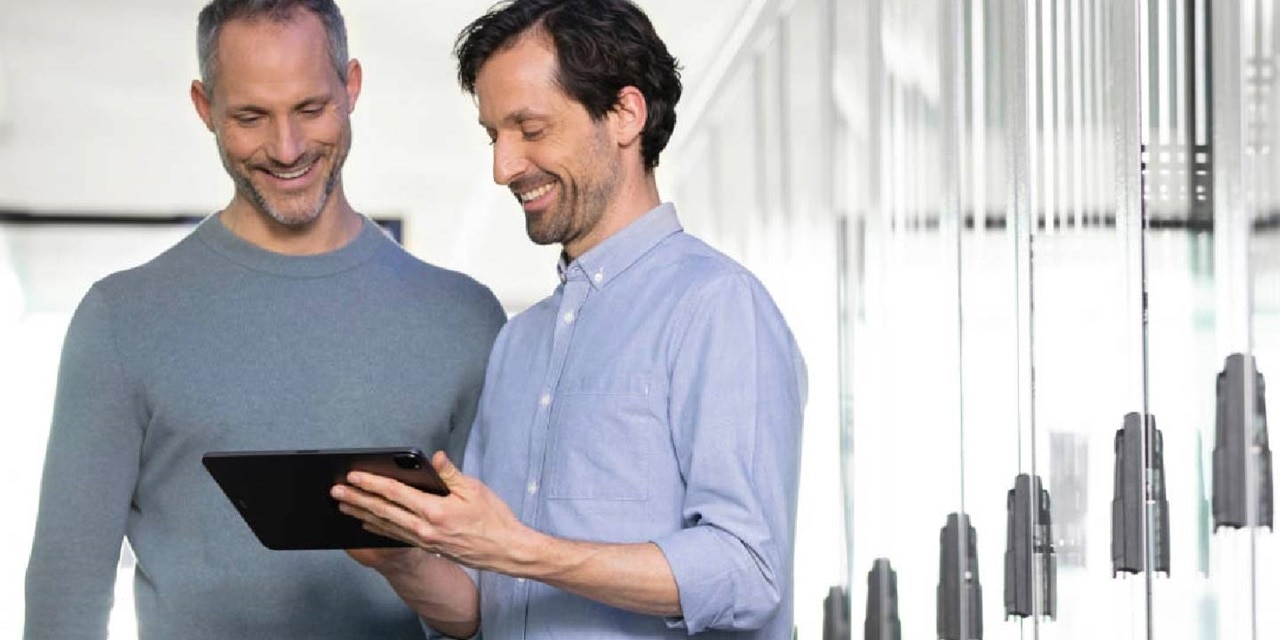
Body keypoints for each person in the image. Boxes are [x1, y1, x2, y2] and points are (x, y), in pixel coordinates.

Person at [23, 1, 505, 638]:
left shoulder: (465, 320)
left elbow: (504, 587)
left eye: (311, 109)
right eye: (251, 116)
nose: (287, 148)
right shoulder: (121, 319)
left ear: (351, 86)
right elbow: (67, 587)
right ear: (204, 107)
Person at [330, 0, 807, 637]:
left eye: (531, 128)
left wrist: (517, 548)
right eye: (494, 135)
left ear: (624, 115)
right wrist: (406, 558)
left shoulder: (717, 307)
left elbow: (749, 574)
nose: (504, 167)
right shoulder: (518, 343)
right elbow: (483, 605)